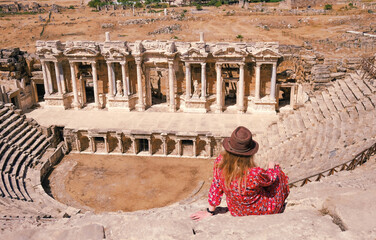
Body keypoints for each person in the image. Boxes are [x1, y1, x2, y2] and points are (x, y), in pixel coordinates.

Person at [190, 126, 289, 220]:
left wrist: (209, 212)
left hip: (237, 211)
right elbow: (270, 179)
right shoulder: (255, 173)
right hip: (263, 210)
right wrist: (272, 167)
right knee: (278, 173)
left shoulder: (220, 163)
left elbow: (216, 187)